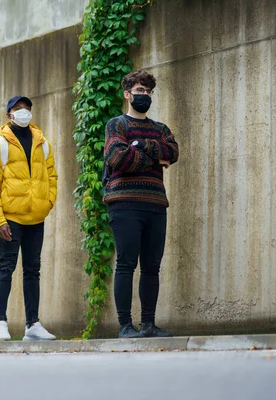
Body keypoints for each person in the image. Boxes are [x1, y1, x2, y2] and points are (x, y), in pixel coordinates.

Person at [103, 70, 179, 338]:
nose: (143, 96)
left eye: (147, 92)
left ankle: (148, 324)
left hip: (156, 205)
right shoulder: (117, 125)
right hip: (124, 204)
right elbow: (117, 158)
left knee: (151, 266)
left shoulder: (161, 129)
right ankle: (125, 325)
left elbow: (173, 151)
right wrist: (154, 157)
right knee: (126, 263)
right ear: (127, 94)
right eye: (138, 91)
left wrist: (140, 144)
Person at [0, 95, 58, 341]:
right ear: (9, 114)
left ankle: (32, 324)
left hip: (36, 216)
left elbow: (52, 177)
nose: (23, 112)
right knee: (6, 267)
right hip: (10, 218)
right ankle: (1, 323)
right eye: (17, 109)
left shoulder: (42, 143)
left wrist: (47, 203)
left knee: (33, 270)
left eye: (27, 108)